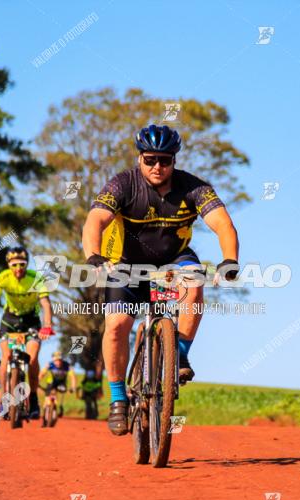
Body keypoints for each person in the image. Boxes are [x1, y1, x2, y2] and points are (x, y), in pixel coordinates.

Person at [81, 124, 241, 435]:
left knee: (194, 283)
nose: (158, 167)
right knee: (116, 326)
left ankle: (179, 352)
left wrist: (230, 261)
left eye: (165, 160)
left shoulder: (194, 188)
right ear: (140, 158)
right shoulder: (122, 184)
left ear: (174, 161)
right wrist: (94, 256)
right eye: (151, 159)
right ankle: (117, 399)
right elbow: (95, 221)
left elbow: (223, 224)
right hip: (125, 263)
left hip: (174, 259)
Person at [0, 247, 54, 420]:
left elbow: (46, 304)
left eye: (22, 264)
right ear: (8, 265)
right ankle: (2, 400)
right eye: (14, 265)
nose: (18, 269)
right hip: (9, 321)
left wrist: (47, 326)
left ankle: (34, 399)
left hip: (31, 321)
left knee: (33, 358)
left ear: (27, 264)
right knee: (5, 357)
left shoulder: (36, 278)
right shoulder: (3, 277)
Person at [39, 351, 79, 420]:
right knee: (48, 394)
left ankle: (58, 407)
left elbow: (73, 377)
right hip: (51, 382)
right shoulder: (50, 365)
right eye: (56, 361)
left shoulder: (67, 366)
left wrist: (73, 387)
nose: (58, 362)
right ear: (53, 360)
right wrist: (36, 384)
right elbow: (41, 374)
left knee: (62, 392)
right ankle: (46, 407)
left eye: (59, 360)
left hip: (61, 383)